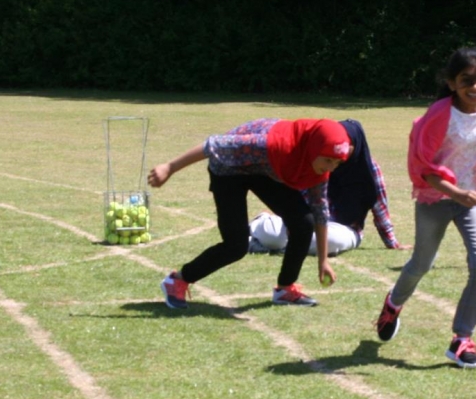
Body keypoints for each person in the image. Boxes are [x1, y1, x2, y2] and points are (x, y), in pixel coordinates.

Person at [375, 47, 476, 368]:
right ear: (451, 82)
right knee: (421, 264)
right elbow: (422, 168)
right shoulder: (438, 115)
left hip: (474, 198)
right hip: (436, 197)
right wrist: (455, 192)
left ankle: (462, 339)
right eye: (466, 80)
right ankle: (393, 304)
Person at [148, 118, 351, 309]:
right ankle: (177, 281)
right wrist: (170, 167)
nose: (331, 168)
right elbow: (213, 145)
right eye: (327, 160)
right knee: (236, 246)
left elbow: (320, 211)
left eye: (337, 163)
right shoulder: (270, 144)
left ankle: (285, 289)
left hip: (263, 170)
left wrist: (323, 261)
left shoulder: (317, 163)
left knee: (303, 223)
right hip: (229, 167)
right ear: (314, 148)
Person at [247, 119, 408, 256]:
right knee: (275, 234)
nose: (342, 150)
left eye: (348, 145)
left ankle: (269, 244)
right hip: (309, 222)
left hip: (343, 228)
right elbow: (298, 197)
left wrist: (391, 241)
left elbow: (379, 206)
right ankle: (261, 225)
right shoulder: (319, 162)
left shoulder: (369, 169)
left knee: (332, 241)